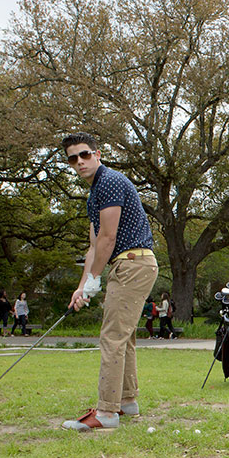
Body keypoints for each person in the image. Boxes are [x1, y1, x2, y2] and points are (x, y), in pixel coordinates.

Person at [61, 132, 158, 432]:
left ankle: (106, 413)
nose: (79, 162)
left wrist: (94, 281)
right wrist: (82, 287)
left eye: (84, 154)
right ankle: (127, 402)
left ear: (97, 154)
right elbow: (93, 247)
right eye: (73, 158)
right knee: (123, 336)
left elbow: (108, 237)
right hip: (123, 265)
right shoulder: (94, 195)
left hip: (133, 263)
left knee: (112, 337)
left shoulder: (111, 182)